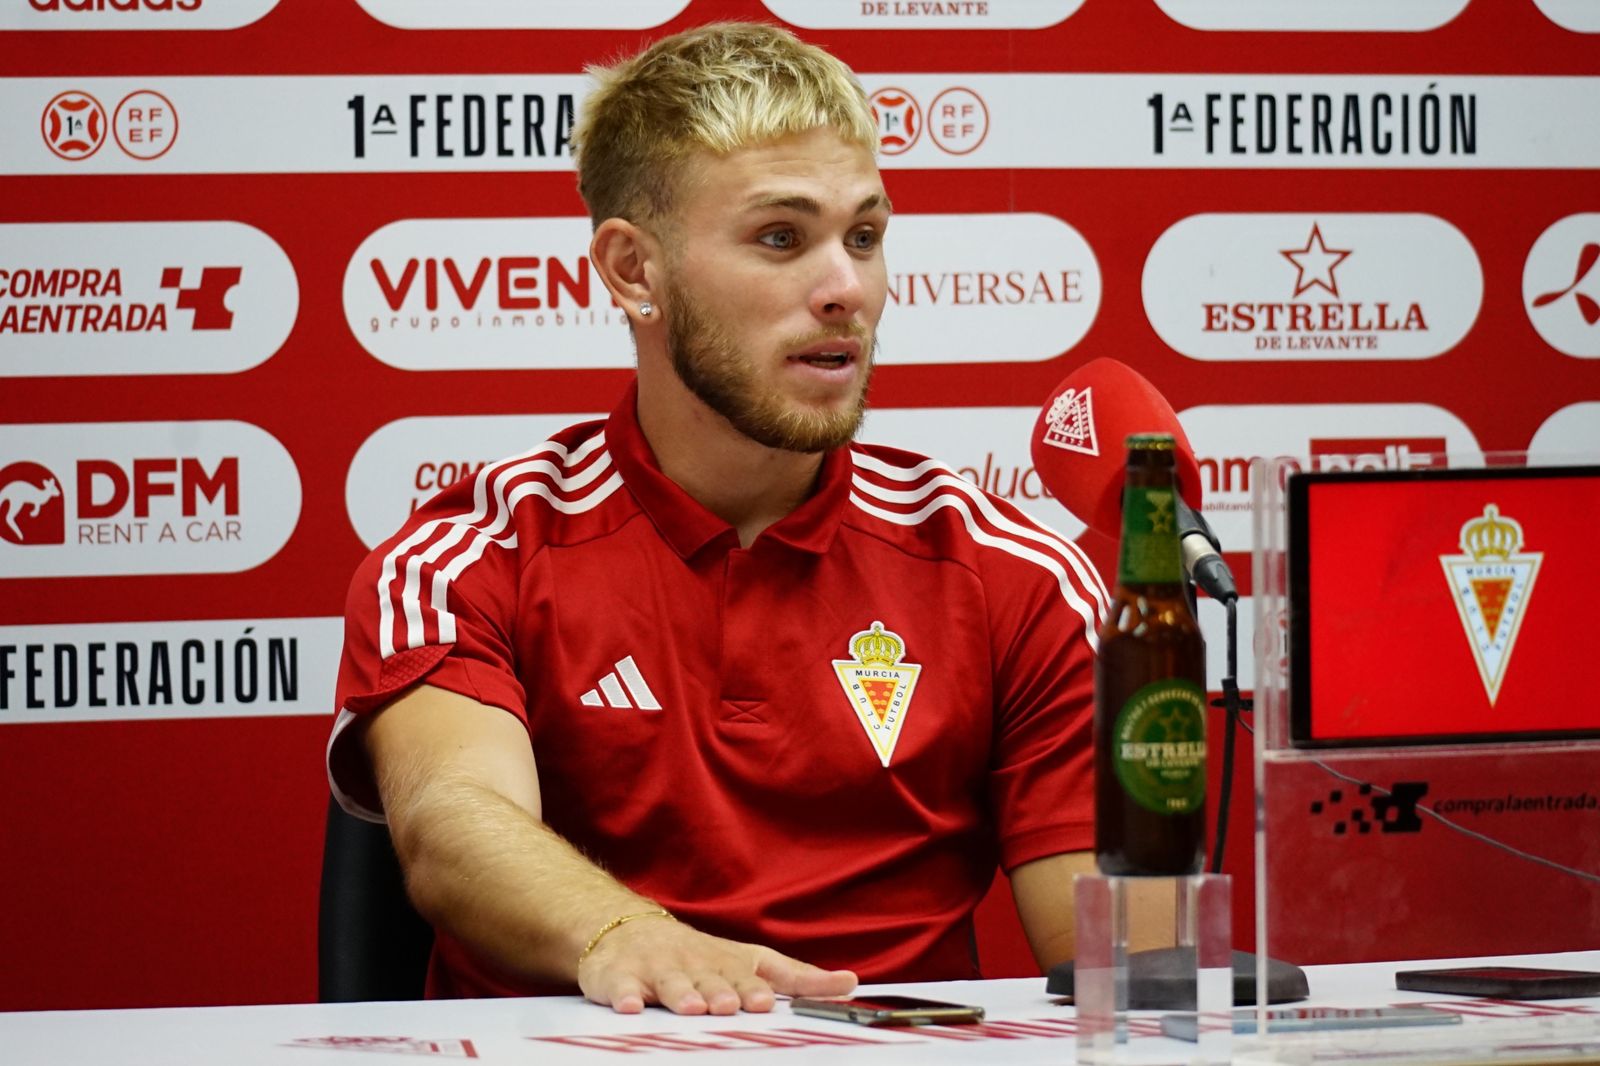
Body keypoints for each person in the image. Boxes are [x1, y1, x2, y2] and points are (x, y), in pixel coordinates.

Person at [328, 22, 1113, 1016]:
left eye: (863, 236)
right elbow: (452, 826)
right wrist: (631, 937)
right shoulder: (466, 557)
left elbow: (1114, 956)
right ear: (631, 270)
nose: (845, 292)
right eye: (781, 237)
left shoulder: (1015, 572)